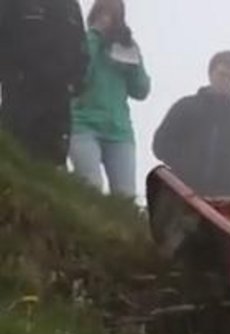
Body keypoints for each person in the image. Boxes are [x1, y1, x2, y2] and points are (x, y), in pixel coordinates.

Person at [152, 50, 230, 200]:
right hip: (183, 194)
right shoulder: (186, 107)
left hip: (227, 199)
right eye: (222, 74)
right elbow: (161, 144)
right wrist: (183, 163)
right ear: (211, 74)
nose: (226, 81)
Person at [68, 0, 149, 197]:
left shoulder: (125, 47)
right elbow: (79, 76)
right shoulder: (83, 40)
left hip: (119, 131)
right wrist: (95, 37)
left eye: (114, 15)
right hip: (83, 124)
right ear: (95, 15)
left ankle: (120, 228)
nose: (108, 19)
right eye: (104, 13)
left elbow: (141, 91)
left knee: (126, 196)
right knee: (91, 185)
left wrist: (134, 63)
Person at [0, 0, 89, 166]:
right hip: (22, 94)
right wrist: (11, 75)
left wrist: (76, 82)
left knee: (51, 162)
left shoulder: (71, 6)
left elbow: (82, 47)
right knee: (14, 156)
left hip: (59, 98)